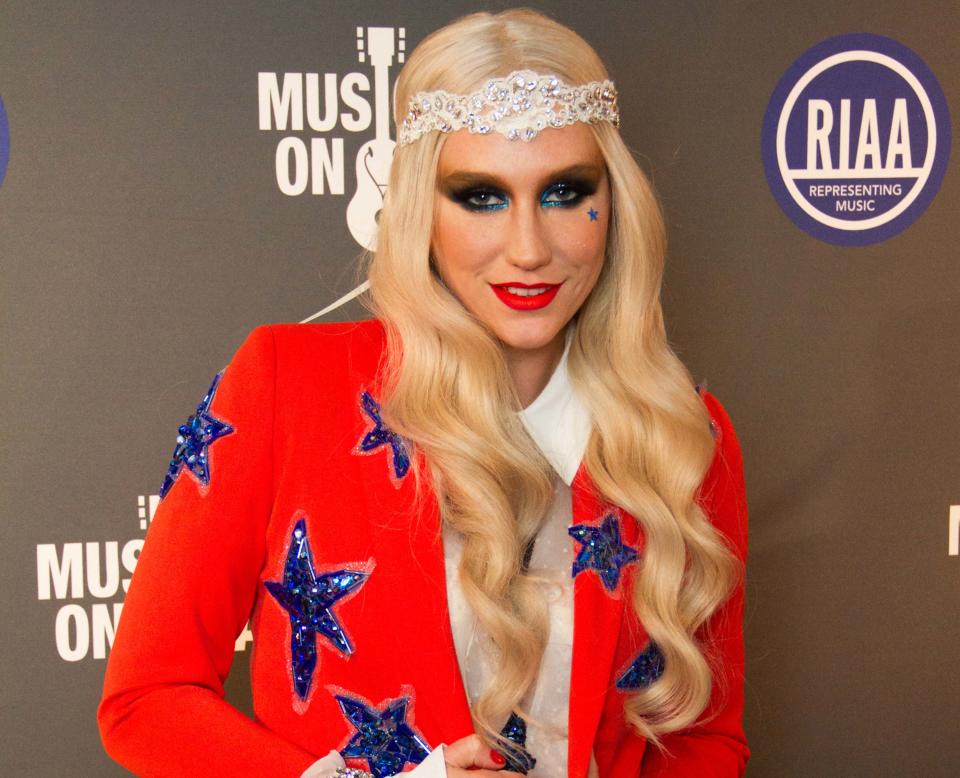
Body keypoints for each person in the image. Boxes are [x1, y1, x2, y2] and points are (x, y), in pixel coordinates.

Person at [98, 8, 748, 778]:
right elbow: (147, 697)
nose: (529, 248)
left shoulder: (680, 432)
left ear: (615, 205)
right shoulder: (286, 383)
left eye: (566, 192)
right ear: (420, 213)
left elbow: (706, 741)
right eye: (481, 196)